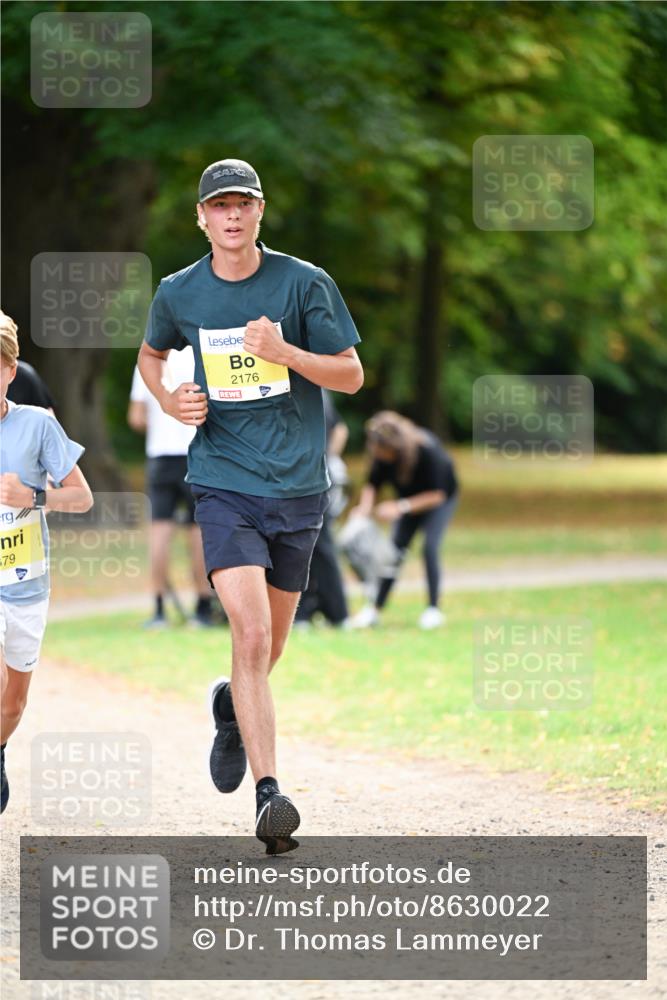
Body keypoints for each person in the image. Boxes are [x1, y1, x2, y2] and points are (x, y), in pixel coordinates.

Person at [137, 158, 363, 853]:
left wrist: (286, 351)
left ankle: (231, 711)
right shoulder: (179, 292)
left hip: (297, 490)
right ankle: (271, 798)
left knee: (270, 648)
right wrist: (171, 398)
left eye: (243, 204)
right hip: (223, 483)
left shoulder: (303, 283)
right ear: (202, 218)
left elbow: (350, 376)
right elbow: (148, 357)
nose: (231, 216)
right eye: (219, 206)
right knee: (252, 635)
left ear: (260, 211)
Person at [0, 311, 93, 814]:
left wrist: (33, 496)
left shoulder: (36, 425)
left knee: (12, 702)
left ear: (11, 371)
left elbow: (81, 498)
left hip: (25, 584)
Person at [128, 346, 216, 629]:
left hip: (160, 455)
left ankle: (158, 609)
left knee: (159, 531)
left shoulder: (149, 359)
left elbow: (136, 417)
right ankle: (203, 607)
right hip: (195, 453)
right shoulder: (202, 356)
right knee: (198, 533)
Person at [349, 411, 458, 630]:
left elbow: (438, 494)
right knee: (394, 553)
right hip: (407, 502)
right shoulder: (381, 453)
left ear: (395, 447)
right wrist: (363, 509)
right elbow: (372, 484)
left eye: (383, 451)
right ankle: (374, 610)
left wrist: (401, 507)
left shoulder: (426, 449)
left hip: (438, 500)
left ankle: (433, 609)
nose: (379, 455)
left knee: (430, 548)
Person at [293, 390, 350, 628]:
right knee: (303, 543)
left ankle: (334, 612)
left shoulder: (306, 388)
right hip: (310, 473)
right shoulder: (318, 387)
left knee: (315, 543)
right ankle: (312, 611)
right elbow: (340, 429)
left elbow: (338, 428)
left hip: (310, 475)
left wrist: (327, 458)